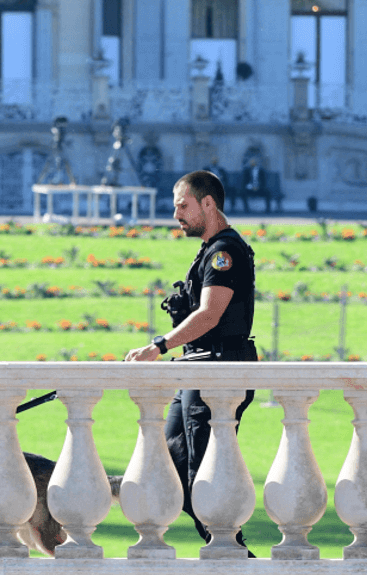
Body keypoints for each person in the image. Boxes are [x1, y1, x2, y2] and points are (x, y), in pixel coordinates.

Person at [124, 169, 257, 547]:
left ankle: (234, 559)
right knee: (171, 467)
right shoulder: (211, 250)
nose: (176, 214)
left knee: (205, 478)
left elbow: (210, 314)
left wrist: (159, 346)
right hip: (197, 372)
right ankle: (231, 554)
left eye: (183, 205)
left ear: (208, 204)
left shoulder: (224, 253)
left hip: (216, 375)